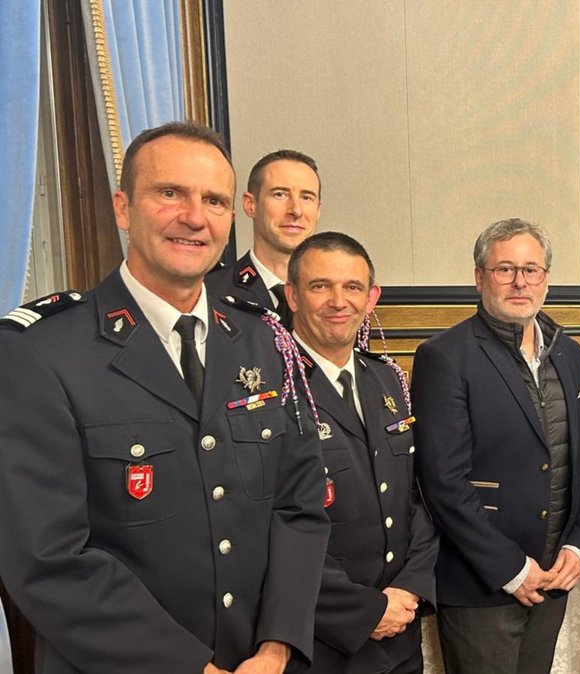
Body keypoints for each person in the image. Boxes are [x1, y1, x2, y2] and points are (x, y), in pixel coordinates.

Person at [0, 122, 329, 673]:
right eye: (170, 193)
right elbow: (47, 559)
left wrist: (278, 646)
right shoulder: (40, 353)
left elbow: (300, 505)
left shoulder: (263, 339)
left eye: (214, 201)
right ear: (123, 207)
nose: (195, 217)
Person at [411, 218, 580, 674]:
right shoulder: (444, 357)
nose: (520, 282)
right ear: (480, 277)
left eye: (531, 270)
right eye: (505, 270)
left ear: (546, 279)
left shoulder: (569, 353)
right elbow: (443, 483)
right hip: (484, 585)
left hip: (553, 576)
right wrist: (510, 569)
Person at [284, 232, 439, 673]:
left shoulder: (387, 379)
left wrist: (409, 589)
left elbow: (418, 496)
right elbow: (268, 525)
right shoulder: (270, 389)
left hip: (399, 635)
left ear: (371, 298)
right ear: (292, 295)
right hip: (322, 640)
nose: (339, 301)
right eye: (320, 286)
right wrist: (364, 610)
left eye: (352, 287)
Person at [208, 149, 322, 326]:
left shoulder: (337, 300)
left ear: (318, 210)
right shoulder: (210, 291)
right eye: (280, 194)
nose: (296, 211)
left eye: (306, 197)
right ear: (250, 204)